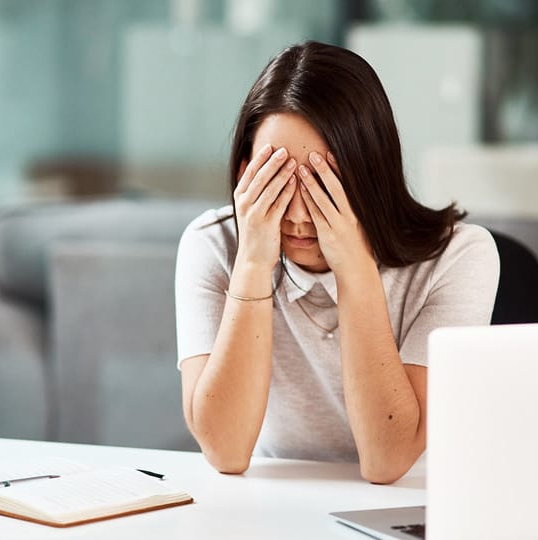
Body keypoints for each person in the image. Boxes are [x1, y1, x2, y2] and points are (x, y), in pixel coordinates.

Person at [174, 41, 499, 484]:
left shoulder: (460, 257)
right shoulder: (212, 245)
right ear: (244, 174)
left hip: (415, 504)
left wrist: (356, 270)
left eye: (324, 185)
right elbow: (225, 451)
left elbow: (388, 461)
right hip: (271, 510)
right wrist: (251, 263)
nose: (299, 216)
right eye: (278, 179)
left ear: (370, 174)